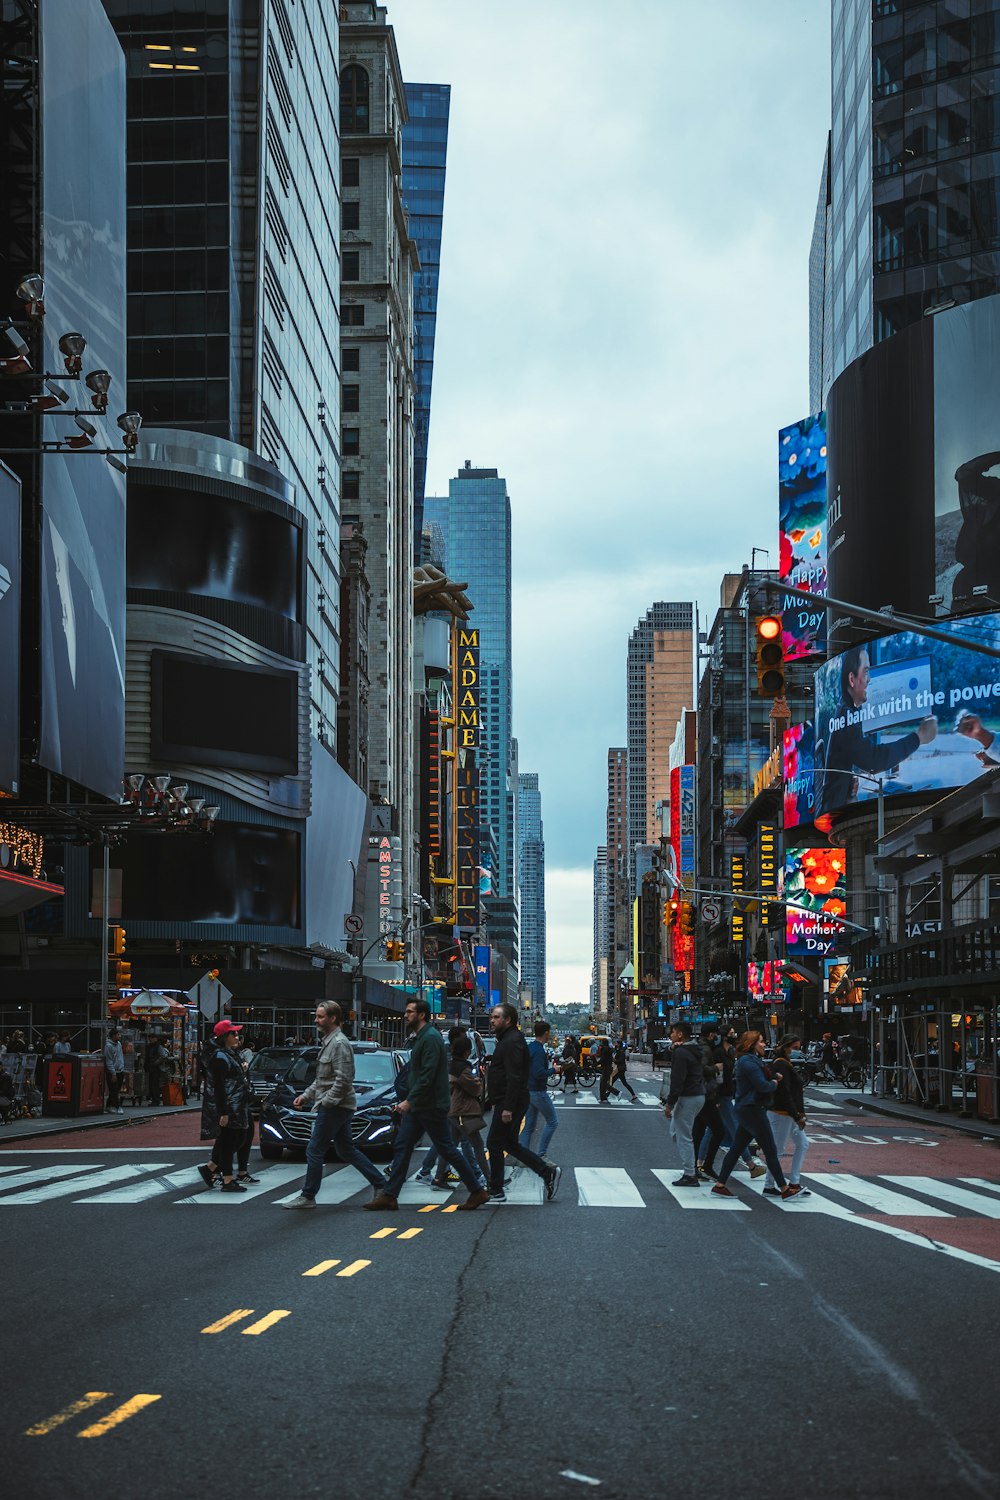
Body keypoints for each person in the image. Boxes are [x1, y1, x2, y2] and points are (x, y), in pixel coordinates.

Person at [365, 998, 490, 1212]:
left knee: (447, 1149)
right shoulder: (423, 1038)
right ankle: (390, 1195)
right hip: (422, 1104)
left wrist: (409, 1101)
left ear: (422, 1015)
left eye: (410, 1012)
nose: (405, 1015)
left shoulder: (430, 1039)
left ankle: (477, 1190)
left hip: (430, 1104)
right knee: (403, 1145)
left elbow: (428, 1074)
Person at [283, 1001, 390, 1210]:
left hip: (336, 1105)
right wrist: (305, 1097)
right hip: (337, 1104)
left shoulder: (339, 1044)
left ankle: (308, 1195)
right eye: (316, 1016)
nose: (316, 1020)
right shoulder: (329, 1042)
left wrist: (326, 1102)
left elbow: (343, 1079)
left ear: (333, 1018)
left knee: (314, 1149)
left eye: (320, 1016)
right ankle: (381, 1184)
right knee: (345, 1149)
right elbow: (323, 1078)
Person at [818, 645, 936, 814]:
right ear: (852, 679)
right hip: (835, 810)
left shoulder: (847, 710)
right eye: (866, 672)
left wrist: (848, 783)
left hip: (837, 805)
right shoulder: (847, 717)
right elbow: (873, 759)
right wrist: (918, 737)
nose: (869, 679)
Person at [484, 1003, 561, 1203]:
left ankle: (496, 1190)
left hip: (510, 1100)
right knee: (510, 1143)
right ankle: (545, 1172)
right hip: (512, 1099)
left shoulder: (511, 1042)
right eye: (492, 1017)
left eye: (496, 1017)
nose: (492, 1020)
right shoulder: (510, 1040)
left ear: (507, 1020)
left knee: (493, 1143)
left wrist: (507, 1106)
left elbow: (515, 1076)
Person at [712, 1033, 802, 1200]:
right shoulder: (748, 1062)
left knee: (737, 1148)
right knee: (770, 1150)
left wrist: (772, 1078)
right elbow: (762, 1085)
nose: (764, 1044)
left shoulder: (749, 1060)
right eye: (761, 1041)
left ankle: (720, 1185)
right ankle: (784, 1189)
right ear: (752, 1044)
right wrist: (775, 1082)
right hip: (752, 1110)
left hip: (747, 1109)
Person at [199, 1020, 253, 1193]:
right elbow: (219, 1088)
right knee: (230, 1141)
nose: (237, 1037)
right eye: (233, 1034)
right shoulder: (220, 1057)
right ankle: (227, 1179)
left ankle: (211, 1169)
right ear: (224, 1037)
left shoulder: (228, 1054)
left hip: (237, 1105)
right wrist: (223, 1112)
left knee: (236, 1139)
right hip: (230, 1106)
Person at [439, 1029, 488, 1191]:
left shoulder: (452, 1066)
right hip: (464, 1111)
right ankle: (489, 1179)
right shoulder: (462, 1069)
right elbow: (475, 1089)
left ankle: (439, 1176)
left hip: (455, 1110)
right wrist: (478, 1082)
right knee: (478, 1146)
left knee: (450, 1145)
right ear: (467, 1052)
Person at [659, 1020, 706, 1186]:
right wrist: (672, 1048)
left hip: (688, 1096)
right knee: (676, 1131)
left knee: (683, 1136)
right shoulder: (693, 1049)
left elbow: (677, 1080)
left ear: (679, 1034)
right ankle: (691, 1168)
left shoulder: (681, 1053)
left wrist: (669, 1104)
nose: (670, 1035)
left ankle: (690, 1174)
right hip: (698, 1095)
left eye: (672, 1032)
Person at [764, 1035, 811, 1197]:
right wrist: (796, 1114)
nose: (797, 1051)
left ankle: (794, 1182)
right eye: (795, 1048)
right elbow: (785, 1093)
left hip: (788, 1113)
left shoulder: (785, 1064)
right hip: (781, 1113)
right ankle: (769, 1185)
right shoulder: (781, 1065)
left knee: (803, 1144)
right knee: (778, 1149)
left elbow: (793, 1092)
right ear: (786, 1047)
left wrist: (798, 1112)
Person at [521, 1018, 559, 1159]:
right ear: (546, 1033)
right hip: (537, 1091)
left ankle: (523, 1156)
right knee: (553, 1121)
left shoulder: (530, 1048)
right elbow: (539, 1073)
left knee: (529, 1125)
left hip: (528, 1090)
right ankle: (541, 1154)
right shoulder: (539, 1052)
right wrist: (554, 1070)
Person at [692, 1030, 724, 1178]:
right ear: (711, 1035)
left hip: (701, 1094)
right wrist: (716, 1068)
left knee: (698, 1132)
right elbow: (702, 1069)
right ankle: (707, 1165)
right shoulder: (705, 1049)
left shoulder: (701, 1047)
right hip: (706, 1095)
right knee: (719, 1131)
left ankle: (695, 1167)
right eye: (716, 1034)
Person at [103, 1028, 125, 1115]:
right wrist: (113, 1073)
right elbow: (109, 1060)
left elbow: (120, 1056)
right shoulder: (108, 1046)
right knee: (114, 1089)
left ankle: (109, 1106)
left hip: (120, 1070)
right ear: (113, 1036)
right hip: (112, 1072)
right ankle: (118, 1106)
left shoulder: (119, 1044)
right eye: (118, 1034)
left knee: (115, 1090)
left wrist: (122, 1067)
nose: (120, 1036)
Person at [145, 1035, 170, 1106]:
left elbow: (164, 1056)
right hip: (150, 1067)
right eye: (149, 1038)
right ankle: (154, 1099)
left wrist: (156, 1063)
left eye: (152, 1038)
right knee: (152, 1084)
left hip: (156, 1068)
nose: (150, 1039)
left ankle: (156, 1100)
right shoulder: (149, 1046)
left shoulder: (158, 1046)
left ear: (155, 1038)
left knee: (155, 1084)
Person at [612, 1037, 639, 1102]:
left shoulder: (621, 1051)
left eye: (616, 1043)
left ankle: (610, 1094)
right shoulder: (620, 1050)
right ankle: (633, 1095)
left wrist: (614, 1060)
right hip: (620, 1069)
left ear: (619, 1044)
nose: (615, 1044)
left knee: (613, 1081)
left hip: (620, 1069)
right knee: (621, 1082)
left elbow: (620, 1060)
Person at [597, 1037, 618, 1103]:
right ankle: (603, 1098)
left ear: (603, 1043)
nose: (600, 1043)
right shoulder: (608, 1049)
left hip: (606, 1068)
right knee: (602, 1083)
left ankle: (617, 1092)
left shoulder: (605, 1050)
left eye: (601, 1042)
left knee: (603, 1083)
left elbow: (602, 1060)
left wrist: (594, 1064)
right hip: (608, 1067)